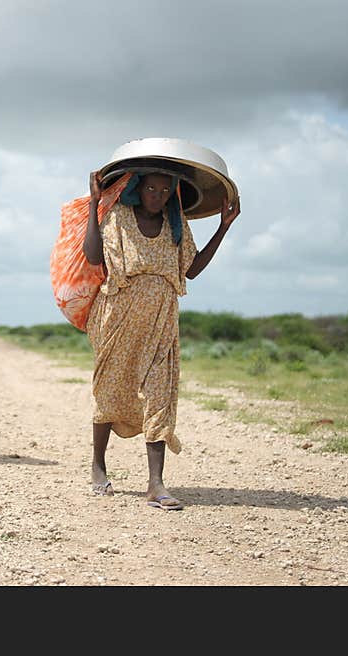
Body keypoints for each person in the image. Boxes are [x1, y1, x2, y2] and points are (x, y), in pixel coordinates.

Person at [82, 169, 240, 509]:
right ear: (139, 188)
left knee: (159, 394)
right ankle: (98, 464)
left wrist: (223, 226)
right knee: (110, 388)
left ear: (172, 194)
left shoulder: (176, 224)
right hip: (118, 317)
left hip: (161, 321)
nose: (157, 195)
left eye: (164, 190)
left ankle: (156, 484)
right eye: (151, 187)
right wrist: (96, 203)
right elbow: (94, 257)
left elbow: (192, 269)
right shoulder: (119, 217)